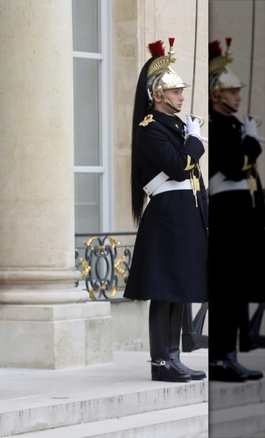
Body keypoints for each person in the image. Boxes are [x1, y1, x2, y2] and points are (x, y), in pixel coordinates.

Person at [123, 38, 208, 383]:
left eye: (181, 91)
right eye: (175, 92)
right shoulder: (150, 128)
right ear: (158, 94)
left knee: (179, 289)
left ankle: (174, 356)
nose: (181, 97)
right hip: (168, 216)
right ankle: (162, 361)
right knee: (165, 292)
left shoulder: (174, 126)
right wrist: (196, 140)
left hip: (183, 215)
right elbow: (178, 166)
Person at [207, 38, 264, 382]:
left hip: (241, 215)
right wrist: (252, 142)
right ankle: (220, 358)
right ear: (216, 94)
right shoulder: (218, 128)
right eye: (231, 92)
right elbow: (232, 166)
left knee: (237, 289)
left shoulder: (231, 126)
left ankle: (230, 354)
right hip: (226, 215)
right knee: (227, 290)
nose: (238, 96)